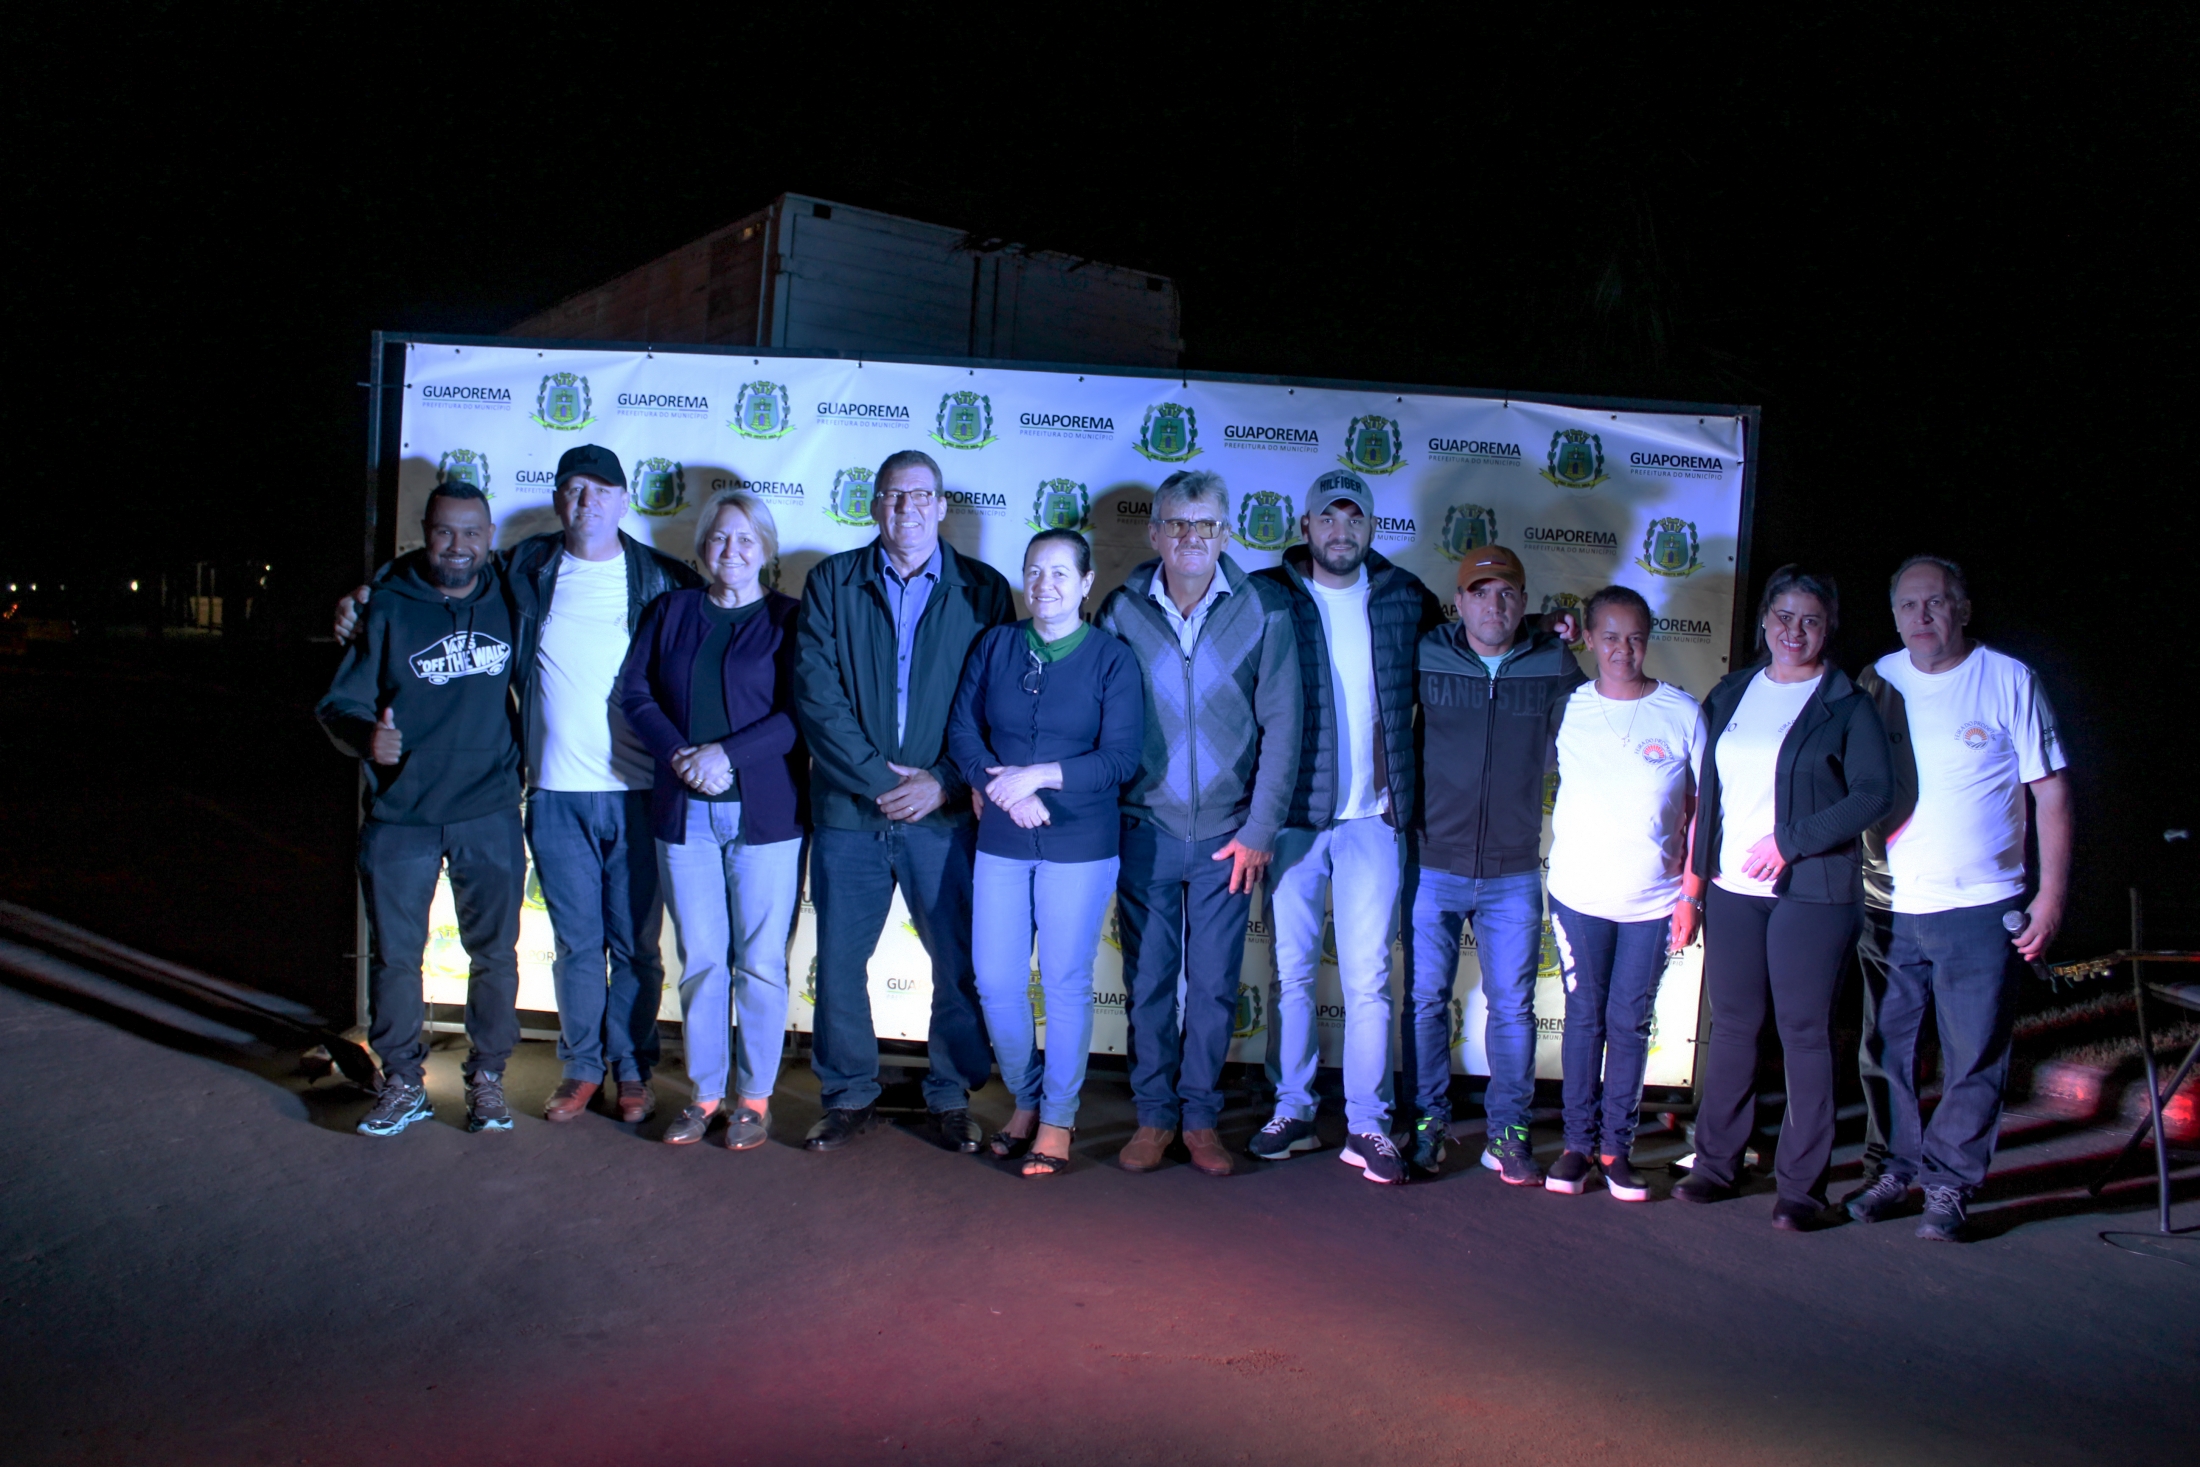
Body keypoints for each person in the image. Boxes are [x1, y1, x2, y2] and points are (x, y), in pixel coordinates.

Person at [338, 444, 702, 1127]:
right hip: (554, 794)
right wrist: (369, 591)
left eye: (601, 490)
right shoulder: (527, 569)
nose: (586, 502)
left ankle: (632, 1069)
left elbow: (718, 627)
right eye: (574, 489)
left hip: (637, 791)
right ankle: (582, 1067)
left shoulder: (664, 578)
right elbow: (443, 567)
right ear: (558, 499)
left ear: (624, 501)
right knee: (575, 945)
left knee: (634, 948)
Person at [792, 448, 1015, 1153]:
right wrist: (879, 780)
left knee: (957, 962)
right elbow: (816, 694)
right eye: (892, 495)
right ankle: (847, 1093)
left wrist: (943, 779)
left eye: (920, 495)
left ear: (941, 506)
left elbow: (995, 704)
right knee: (838, 962)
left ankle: (950, 1094)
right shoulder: (831, 581)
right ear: (873, 506)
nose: (906, 508)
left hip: (942, 816)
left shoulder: (984, 589)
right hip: (849, 812)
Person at [1843, 556, 2070, 1241]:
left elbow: (2051, 792)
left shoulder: (2008, 679)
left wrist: (2051, 895)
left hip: (1981, 904)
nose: (1923, 616)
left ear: (1963, 609)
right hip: (1890, 904)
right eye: (1909, 605)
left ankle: (1949, 1184)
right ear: (1894, 616)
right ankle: (1891, 1170)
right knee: (1886, 1048)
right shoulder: (1875, 681)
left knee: (1973, 1055)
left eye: (1937, 602)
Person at [1096, 470, 1300, 1178]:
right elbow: (1096, 720)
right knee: (1150, 983)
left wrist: (1260, 829)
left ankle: (1201, 1118)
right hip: (1144, 832)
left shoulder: (1263, 610)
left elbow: (1283, 726)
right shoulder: (1120, 609)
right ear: (1155, 533)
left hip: (1228, 839)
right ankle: (1154, 1117)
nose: (1191, 536)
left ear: (1226, 534)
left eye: (1205, 524)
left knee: (1213, 987)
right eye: (1177, 523)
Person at [1676, 565, 1892, 1229]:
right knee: (1733, 1027)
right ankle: (1716, 1164)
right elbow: (1706, 793)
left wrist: (1791, 841)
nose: (1794, 631)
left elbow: (1873, 794)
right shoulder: (1731, 692)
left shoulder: (1847, 704)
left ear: (1828, 628)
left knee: (1804, 1032)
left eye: (1811, 620)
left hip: (1813, 891)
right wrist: (1695, 882)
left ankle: (1802, 1188)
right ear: (1765, 620)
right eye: (1784, 617)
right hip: (1732, 890)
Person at [1248, 470, 1441, 1184]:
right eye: (1327, 518)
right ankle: (1293, 1109)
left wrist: (1545, 628)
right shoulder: (1266, 595)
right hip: (1293, 817)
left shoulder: (1405, 596)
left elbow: (1469, 646)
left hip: (1374, 820)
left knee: (1369, 980)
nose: (1340, 530)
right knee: (1292, 972)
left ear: (1370, 527)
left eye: (1353, 518)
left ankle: (1367, 1123)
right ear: (1305, 527)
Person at [316, 482, 526, 1137]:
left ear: (490, 538)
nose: (457, 546)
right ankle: (403, 1080)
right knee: (396, 957)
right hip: (401, 813)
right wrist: (366, 739)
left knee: (495, 954)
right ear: (424, 533)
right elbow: (339, 704)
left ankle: (487, 1077)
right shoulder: (386, 605)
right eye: (444, 531)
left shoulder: (513, 594)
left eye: (471, 532)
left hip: (487, 807)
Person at [947, 529, 1144, 1176]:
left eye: (1060, 573)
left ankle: (1057, 1118)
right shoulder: (996, 644)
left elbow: (1120, 758)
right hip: (1003, 836)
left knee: (1063, 983)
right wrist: (1000, 788)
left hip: (1080, 843)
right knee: (997, 982)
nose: (1045, 584)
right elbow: (962, 731)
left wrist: (1038, 776)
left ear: (1086, 583)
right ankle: (1026, 1098)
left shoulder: (1112, 659)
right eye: (1034, 571)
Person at [617, 489, 806, 1152]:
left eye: (746, 539)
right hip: (684, 813)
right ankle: (701, 1095)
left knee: (760, 963)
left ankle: (753, 1098)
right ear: (702, 547)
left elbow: (801, 713)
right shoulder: (669, 611)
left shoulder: (791, 618)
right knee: (700, 960)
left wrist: (726, 754)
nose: (732, 550)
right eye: (721, 537)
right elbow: (633, 692)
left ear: (766, 549)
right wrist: (681, 756)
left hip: (766, 817)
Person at [1400, 544, 1585, 1184]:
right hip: (1433, 862)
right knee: (1426, 1002)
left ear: (1523, 602)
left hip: (1513, 870)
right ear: (1459, 602)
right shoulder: (1426, 653)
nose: (1494, 605)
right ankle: (1427, 1125)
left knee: (1513, 1008)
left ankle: (1508, 1134)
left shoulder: (1553, 660)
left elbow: (1597, 730)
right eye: (1480, 593)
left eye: (1507, 594)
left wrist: (1548, 630)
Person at [1542, 585, 1706, 1201]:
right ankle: (1577, 1145)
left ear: (1648, 640)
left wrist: (1691, 895)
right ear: (1588, 639)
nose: (1622, 649)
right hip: (1578, 898)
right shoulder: (1567, 708)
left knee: (1630, 1023)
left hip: (1654, 902)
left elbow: (1703, 811)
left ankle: (1616, 1150)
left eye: (1635, 637)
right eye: (1609, 636)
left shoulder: (1682, 712)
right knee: (1584, 1018)